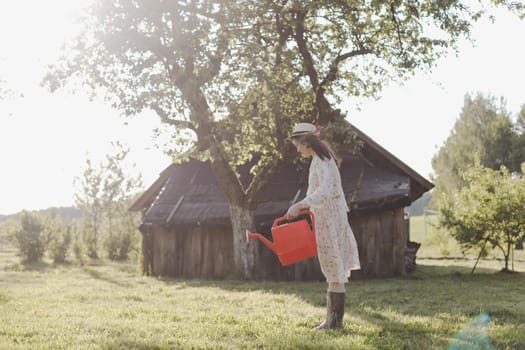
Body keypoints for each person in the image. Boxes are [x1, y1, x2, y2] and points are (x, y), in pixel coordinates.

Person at [286, 122, 361, 330]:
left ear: (306, 141)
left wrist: (300, 204)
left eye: (298, 144)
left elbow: (325, 192)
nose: (297, 149)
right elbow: (315, 193)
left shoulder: (323, 160)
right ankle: (331, 321)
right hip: (325, 217)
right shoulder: (318, 161)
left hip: (331, 217)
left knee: (334, 267)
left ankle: (334, 323)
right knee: (331, 267)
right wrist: (301, 208)